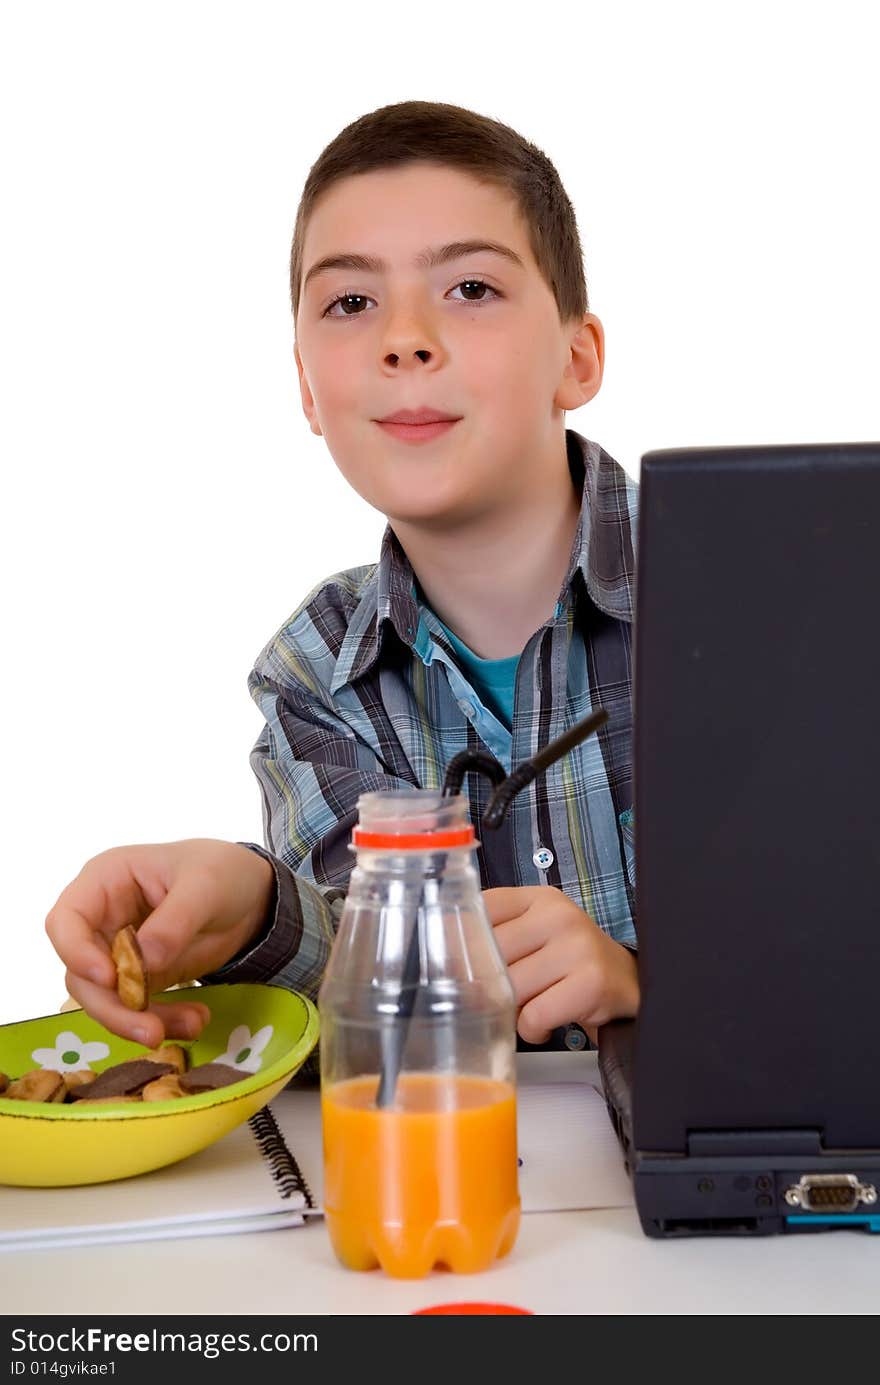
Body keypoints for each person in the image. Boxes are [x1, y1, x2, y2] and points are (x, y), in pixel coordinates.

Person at [45, 99, 639, 1056]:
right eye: (352, 304)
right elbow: (375, 984)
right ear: (308, 388)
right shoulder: (313, 672)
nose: (404, 340)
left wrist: (646, 983)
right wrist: (253, 910)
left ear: (577, 357)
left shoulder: (766, 598)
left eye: (471, 288)